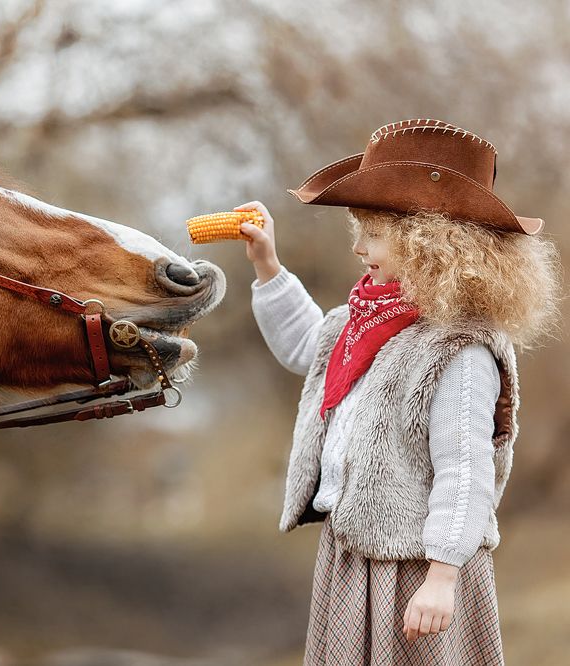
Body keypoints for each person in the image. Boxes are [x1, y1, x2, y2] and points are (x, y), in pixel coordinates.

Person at [236, 119, 560, 664]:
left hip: (418, 568)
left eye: (375, 233)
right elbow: (307, 351)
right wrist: (268, 266)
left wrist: (442, 575)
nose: (359, 247)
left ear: (434, 245)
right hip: (350, 557)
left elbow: (465, 471)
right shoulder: (363, 322)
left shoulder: (458, 350)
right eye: (358, 231)